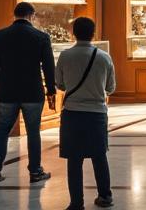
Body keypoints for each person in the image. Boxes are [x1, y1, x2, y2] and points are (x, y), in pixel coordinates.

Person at [0, 1, 56, 184]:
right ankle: (35, 171)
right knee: (33, 132)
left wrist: (2, 81)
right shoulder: (41, 37)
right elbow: (49, 67)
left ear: (14, 15)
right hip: (33, 92)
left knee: (2, 130)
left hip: (7, 92)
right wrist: (51, 90)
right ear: (32, 16)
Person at [56, 16, 116, 210]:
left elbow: (60, 84)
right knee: (99, 156)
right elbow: (111, 87)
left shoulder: (65, 56)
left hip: (72, 112)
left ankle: (76, 202)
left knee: (74, 159)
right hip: (97, 112)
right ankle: (105, 196)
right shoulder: (104, 57)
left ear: (73, 33)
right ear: (93, 33)